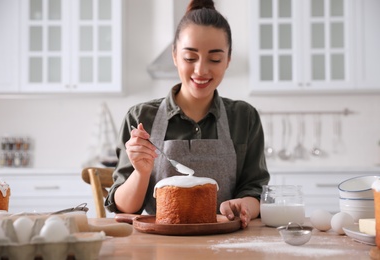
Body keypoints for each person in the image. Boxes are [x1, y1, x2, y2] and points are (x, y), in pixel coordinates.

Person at [104, 0, 269, 229]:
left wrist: (243, 206)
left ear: (228, 59)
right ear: (174, 56)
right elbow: (123, 208)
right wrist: (142, 173)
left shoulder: (245, 117)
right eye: (190, 58)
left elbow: (254, 190)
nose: (201, 70)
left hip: (228, 243)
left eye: (215, 59)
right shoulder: (141, 118)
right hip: (159, 246)